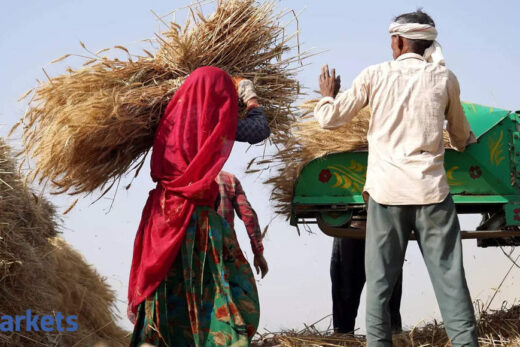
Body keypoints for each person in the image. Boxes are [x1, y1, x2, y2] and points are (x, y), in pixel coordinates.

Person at [314, 10, 478, 347]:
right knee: (451, 282)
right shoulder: (445, 78)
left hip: (387, 194)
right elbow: (461, 136)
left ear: (398, 41)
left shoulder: (375, 75)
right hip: (432, 193)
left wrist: (327, 94)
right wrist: (468, 144)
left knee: (379, 286)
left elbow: (329, 119)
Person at [128, 66, 270, 346]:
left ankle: (156, 338)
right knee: (221, 286)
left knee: (165, 285)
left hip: (162, 218)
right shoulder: (217, 121)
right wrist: (249, 96)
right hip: (197, 221)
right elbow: (260, 129)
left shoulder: (167, 118)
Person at [331, 222, 402, 335]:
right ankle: (343, 339)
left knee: (388, 299)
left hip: (385, 228)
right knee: (345, 295)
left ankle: (394, 338)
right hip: (350, 226)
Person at [216, 171, 269, 278]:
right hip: (225, 250)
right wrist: (258, 252)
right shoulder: (229, 179)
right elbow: (248, 216)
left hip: (190, 253)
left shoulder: (181, 178)